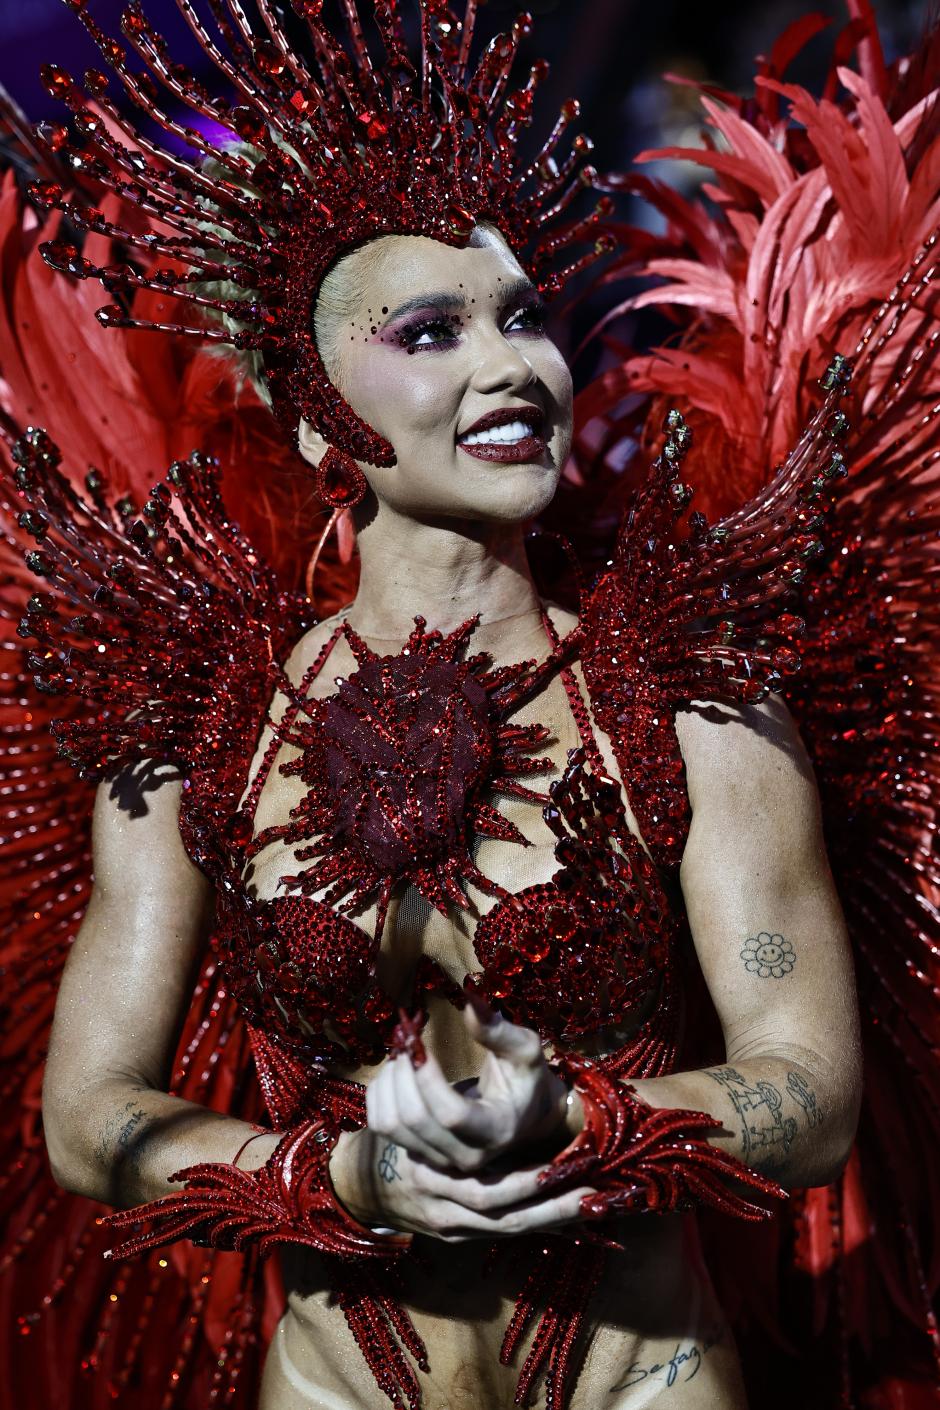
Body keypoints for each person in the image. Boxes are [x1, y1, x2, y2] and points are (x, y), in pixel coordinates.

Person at [0, 3, 935, 1410]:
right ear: (322, 420)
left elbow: (806, 1092)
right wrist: (337, 1174)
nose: (514, 366)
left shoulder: (691, 696)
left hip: (646, 1379)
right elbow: (90, 1115)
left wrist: (583, 1112)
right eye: (434, 331)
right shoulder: (203, 723)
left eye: (526, 317)